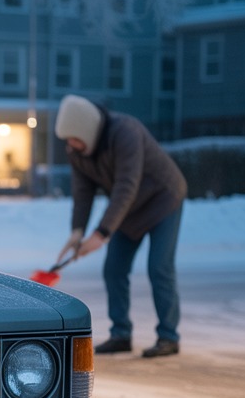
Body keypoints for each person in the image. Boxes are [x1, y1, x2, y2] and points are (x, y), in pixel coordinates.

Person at [53, 94, 187, 358]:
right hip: (128, 210)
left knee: (159, 267)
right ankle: (120, 334)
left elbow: (127, 185)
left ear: (88, 131)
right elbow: (83, 193)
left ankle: (169, 336)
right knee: (114, 268)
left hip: (163, 199)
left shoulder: (126, 132)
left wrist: (102, 233)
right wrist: (77, 231)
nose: (70, 144)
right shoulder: (77, 151)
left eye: (74, 138)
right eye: (67, 139)